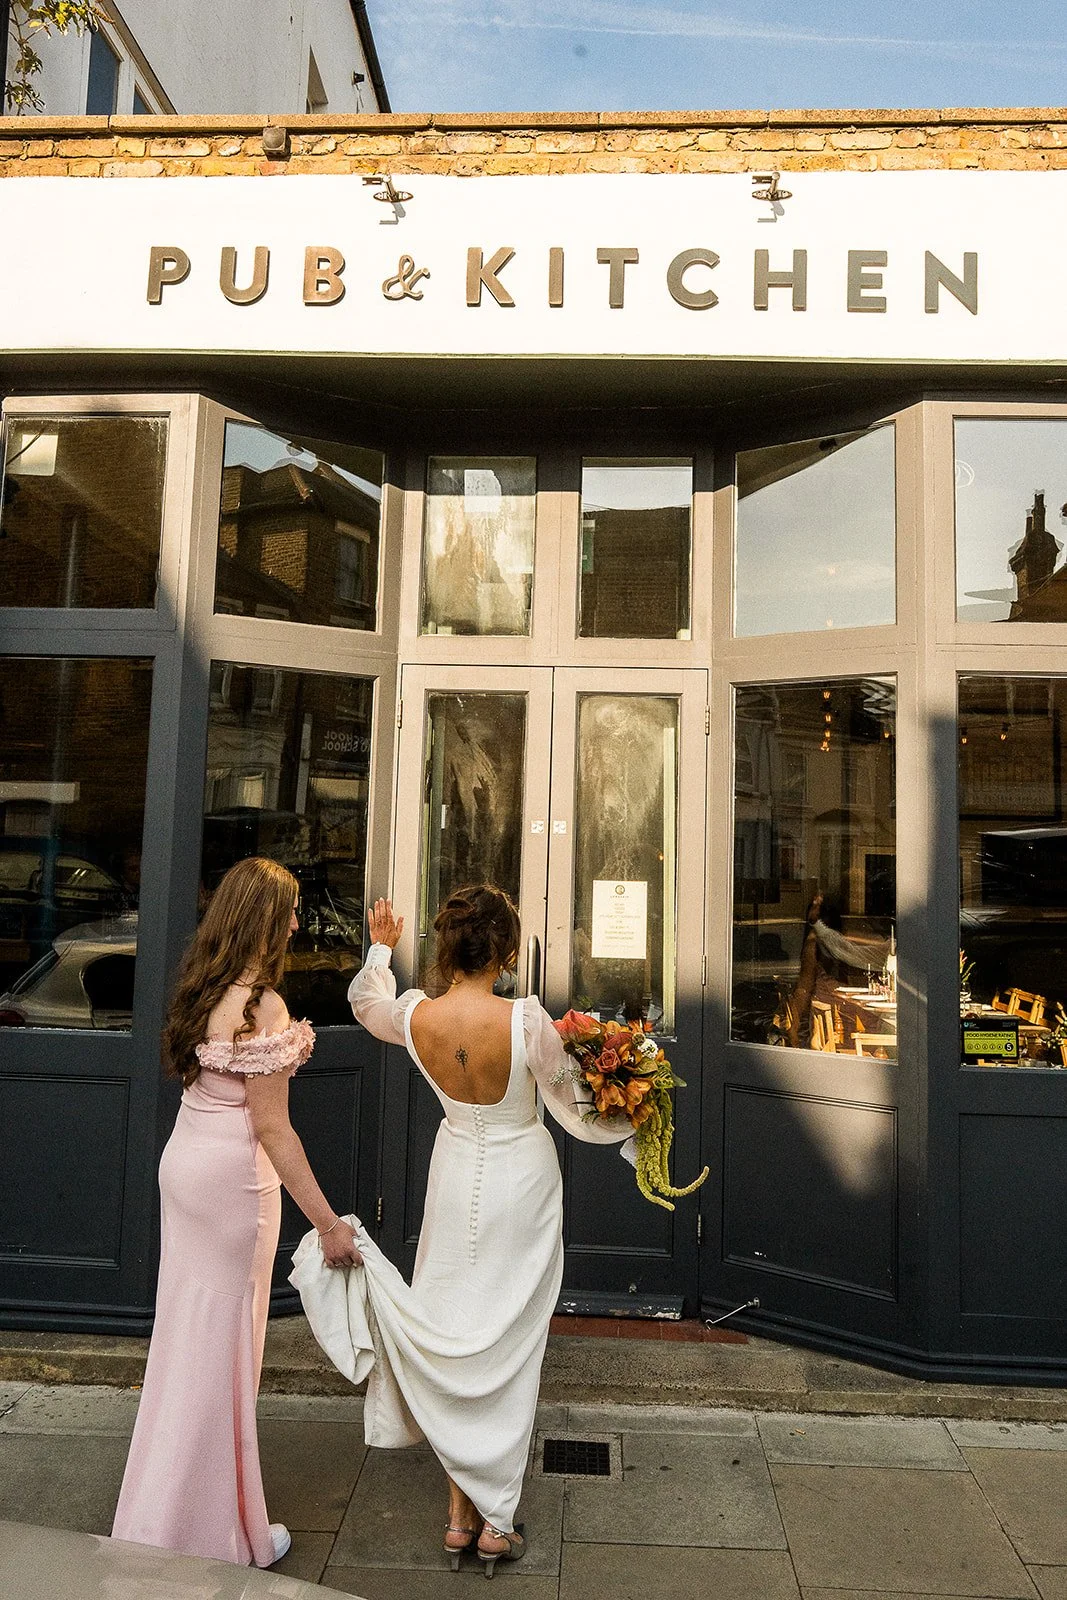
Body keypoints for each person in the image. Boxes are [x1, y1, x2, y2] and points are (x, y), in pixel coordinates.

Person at [347, 884, 632, 1576]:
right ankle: (496, 1524)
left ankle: (458, 1519)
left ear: (446, 946)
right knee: (510, 1342)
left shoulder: (414, 1015)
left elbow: (366, 1003)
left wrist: (381, 947)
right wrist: (634, 1120)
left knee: (454, 1335)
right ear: (505, 953)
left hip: (454, 1178)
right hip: (521, 1184)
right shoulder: (525, 1019)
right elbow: (576, 1104)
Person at [112, 856, 361, 1568]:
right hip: (232, 1187)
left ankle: (164, 1514)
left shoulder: (204, 986)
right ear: (262, 920)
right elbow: (274, 1130)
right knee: (224, 1353)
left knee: (184, 1344)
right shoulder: (264, 1008)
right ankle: (213, 1531)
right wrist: (328, 1224)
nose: (296, 923)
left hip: (185, 1167)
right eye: (288, 911)